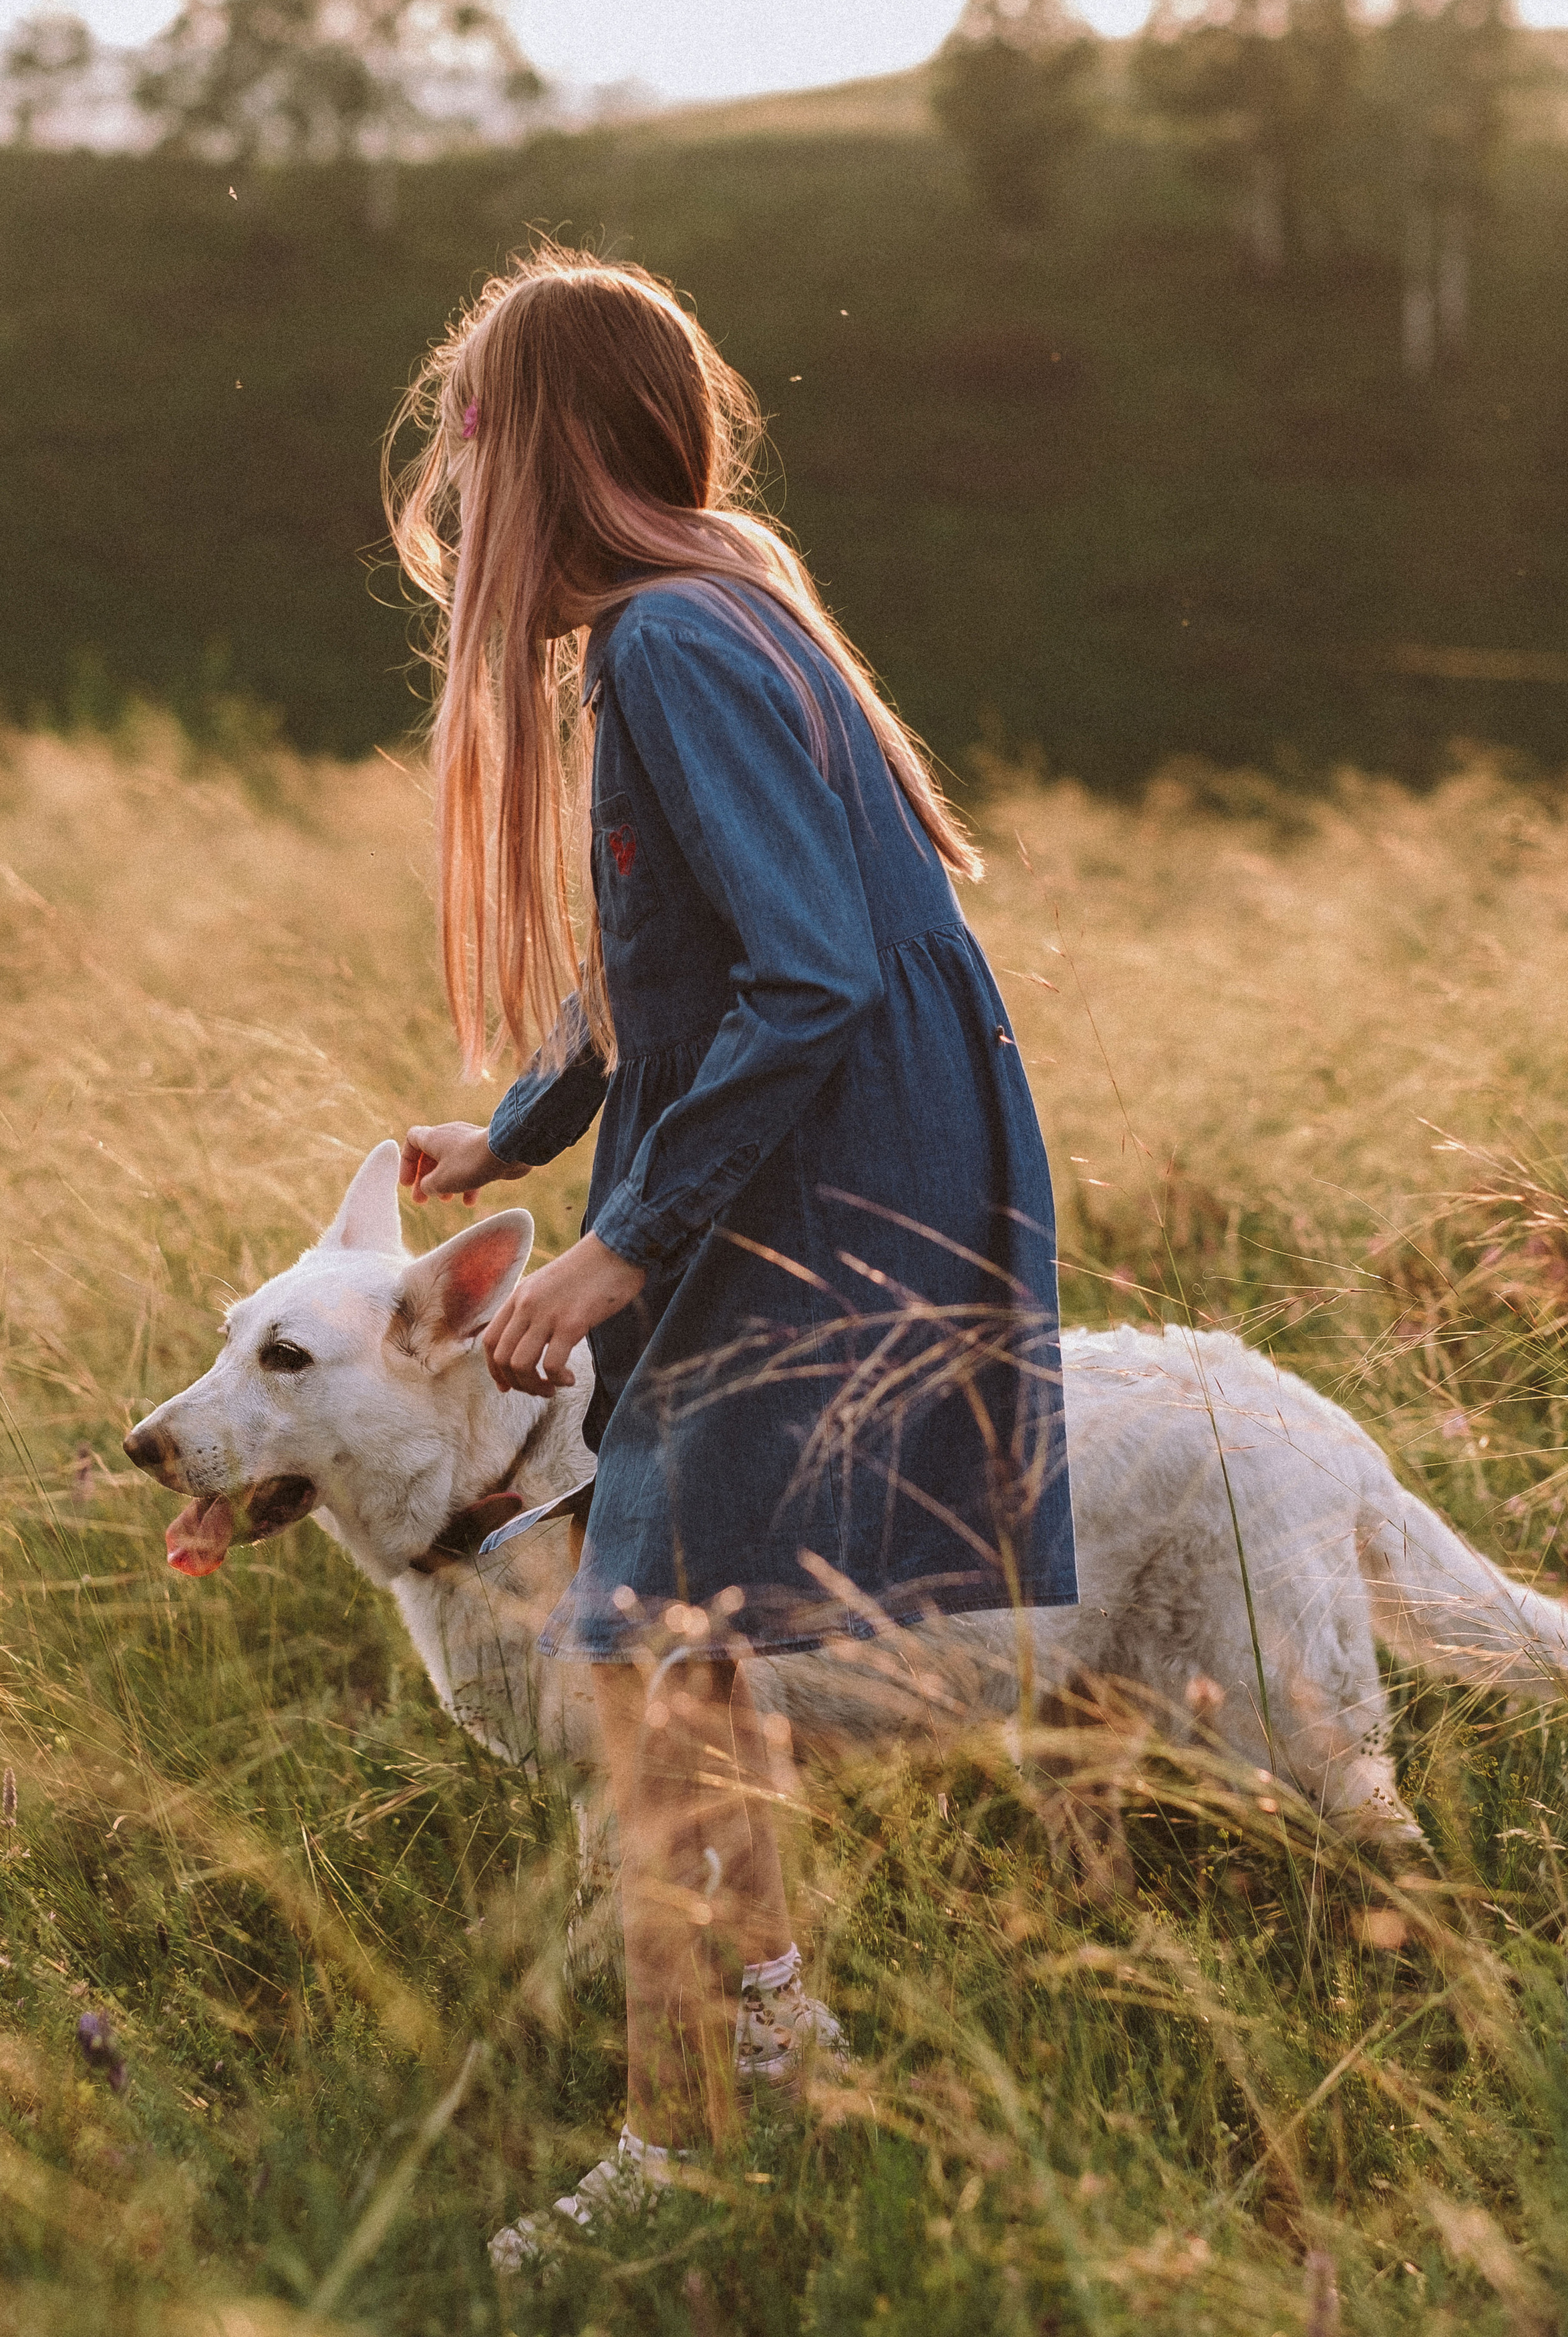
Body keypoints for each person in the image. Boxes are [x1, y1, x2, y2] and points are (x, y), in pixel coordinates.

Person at [384, 246, 1076, 2263]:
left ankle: (687, 2148)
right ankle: (775, 2049)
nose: (443, 452)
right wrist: (513, 1133)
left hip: (815, 1181)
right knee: (676, 1649)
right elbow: (661, 956)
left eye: (466, 417)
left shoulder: (681, 642)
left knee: (636, 1658)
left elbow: (808, 975)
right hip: (815, 1157)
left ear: (537, 449)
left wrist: (616, 1246)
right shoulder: (709, 603)